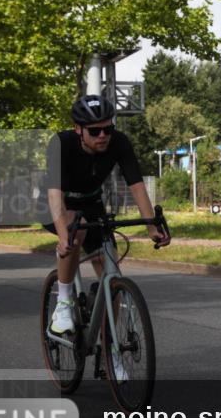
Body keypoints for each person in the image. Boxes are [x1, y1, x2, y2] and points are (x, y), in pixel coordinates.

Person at [42, 95, 170, 345]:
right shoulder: (60, 143)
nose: (103, 135)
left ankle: (110, 345)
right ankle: (64, 304)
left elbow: (136, 186)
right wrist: (63, 234)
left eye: (108, 128)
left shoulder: (119, 143)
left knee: (108, 260)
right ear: (78, 129)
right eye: (95, 130)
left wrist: (151, 227)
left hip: (91, 203)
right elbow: (55, 195)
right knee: (74, 232)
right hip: (57, 203)